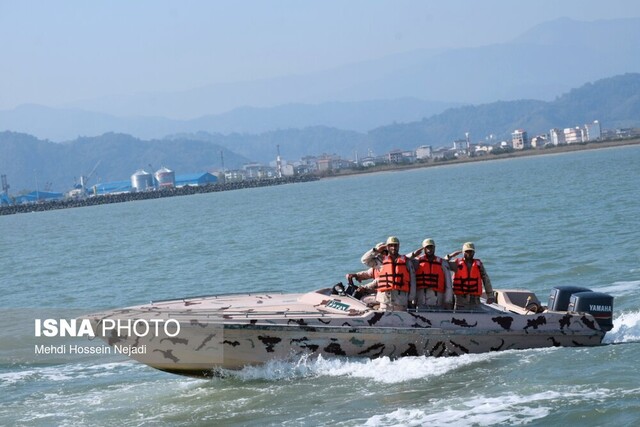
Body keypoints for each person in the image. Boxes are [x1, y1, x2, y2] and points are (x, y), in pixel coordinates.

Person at [370, 236, 416, 311]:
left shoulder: (407, 262)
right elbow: (365, 260)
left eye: (395, 245)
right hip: (385, 301)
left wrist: (411, 298)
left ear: (399, 246)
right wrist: (376, 251)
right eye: (391, 245)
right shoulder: (381, 262)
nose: (393, 248)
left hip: (401, 301)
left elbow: (413, 281)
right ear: (387, 247)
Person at [447, 242, 495, 310]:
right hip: (460, 301)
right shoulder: (456, 263)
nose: (469, 253)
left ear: (474, 252)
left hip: (475, 300)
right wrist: (450, 255)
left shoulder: (478, 265)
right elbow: (442, 263)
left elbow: (486, 279)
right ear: (463, 252)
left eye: (471, 251)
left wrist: (490, 295)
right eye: (467, 251)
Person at [409, 238, 453, 309]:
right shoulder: (417, 262)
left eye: (431, 247)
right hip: (421, 300)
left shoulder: (442, 263)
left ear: (434, 248)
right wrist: (413, 254)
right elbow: (404, 260)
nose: (429, 249)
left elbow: (448, 284)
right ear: (423, 249)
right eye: (427, 247)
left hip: (438, 300)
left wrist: (448, 300)